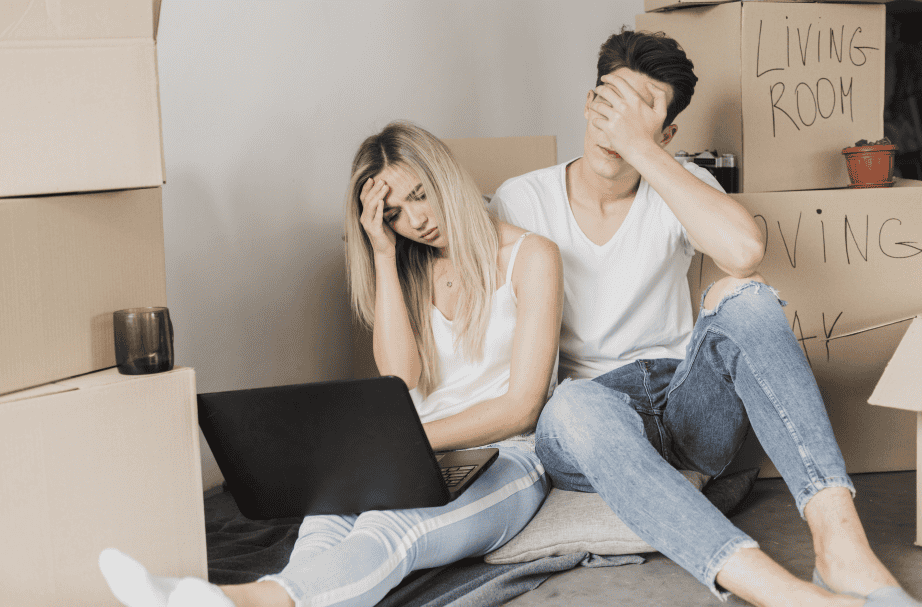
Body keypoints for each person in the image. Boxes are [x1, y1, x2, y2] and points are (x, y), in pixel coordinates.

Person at [489, 26, 918, 607]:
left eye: (646, 115)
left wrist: (641, 149)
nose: (619, 125)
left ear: (667, 134)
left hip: (684, 404)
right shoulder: (522, 199)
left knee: (746, 294)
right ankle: (777, 592)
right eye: (613, 104)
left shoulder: (678, 184)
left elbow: (743, 252)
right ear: (591, 103)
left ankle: (842, 550)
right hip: (590, 423)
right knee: (571, 402)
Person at [97, 121, 564, 607]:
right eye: (396, 214)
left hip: (506, 457)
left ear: (446, 176)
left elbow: (522, 409)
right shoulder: (409, 266)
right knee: (321, 528)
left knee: (389, 530)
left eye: (422, 194)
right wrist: (384, 255)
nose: (417, 220)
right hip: (406, 452)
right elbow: (401, 379)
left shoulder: (532, 257)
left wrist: (406, 441)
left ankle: (228, 602)